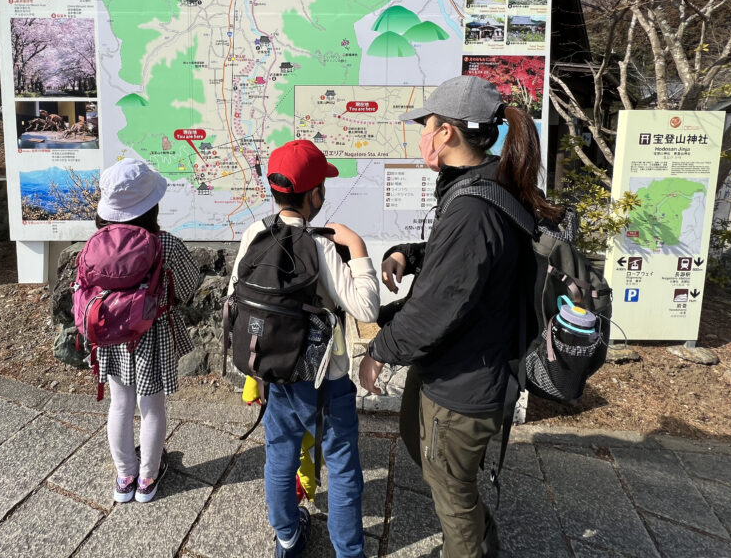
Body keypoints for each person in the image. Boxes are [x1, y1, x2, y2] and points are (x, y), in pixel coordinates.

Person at [358, 76, 562, 558]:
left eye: (427, 125)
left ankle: (471, 546)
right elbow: (466, 260)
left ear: (446, 133)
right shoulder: (488, 182)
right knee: (429, 454)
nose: (423, 135)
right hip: (463, 362)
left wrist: (379, 351)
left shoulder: (472, 205)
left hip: (468, 377)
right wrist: (410, 253)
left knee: (451, 489)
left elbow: (437, 306)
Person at [228, 140, 380, 558]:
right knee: (344, 467)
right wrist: (359, 248)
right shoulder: (323, 245)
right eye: (322, 187)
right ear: (314, 195)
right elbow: (366, 306)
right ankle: (348, 552)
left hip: (276, 374)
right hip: (326, 381)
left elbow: (237, 301)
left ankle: (288, 537)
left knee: (280, 457)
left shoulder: (253, 234)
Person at [91, 158, 202, 504]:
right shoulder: (165, 244)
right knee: (151, 407)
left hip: (111, 339)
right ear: (151, 206)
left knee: (120, 404)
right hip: (153, 336)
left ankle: (125, 478)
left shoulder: (99, 242)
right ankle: (148, 478)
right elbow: (188, 287)